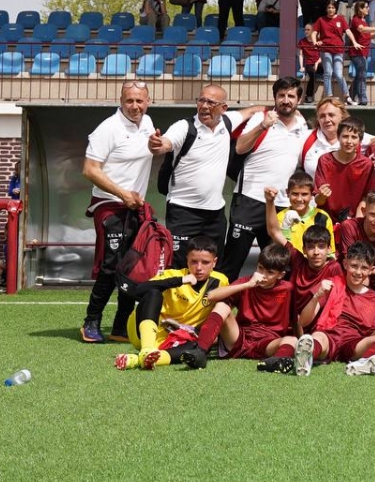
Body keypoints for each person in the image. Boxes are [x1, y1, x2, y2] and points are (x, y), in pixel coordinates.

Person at [79, 80, 156, 345]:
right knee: (112, 264)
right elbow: (90, 169)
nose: (135, 106)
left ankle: (121, 327)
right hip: (109, 205)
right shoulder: (107, 129)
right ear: (121, 101)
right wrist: (122, 193)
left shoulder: (146, 124)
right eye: (130, 101)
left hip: (135, 207)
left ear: (148, 101)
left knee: (132, 265)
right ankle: (91, 322)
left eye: (140, 101)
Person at [149, 84, 262, 263]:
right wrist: (157, 145)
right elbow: (166, 143)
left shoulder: (227, 121)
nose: (204, 106)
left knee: (213, 266)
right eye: (201, 100)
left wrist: (269, 110)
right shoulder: (184, 127)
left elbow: (250, 112)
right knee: (180, 265)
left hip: (215, 214)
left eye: (211, 102)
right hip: (182, 210)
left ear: (223, 108)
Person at [220, 76, 309, 281]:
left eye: (291, 96)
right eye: (281, 95)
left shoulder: (303, 125)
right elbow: (240, 147)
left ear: (299, 100)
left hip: (280, 206)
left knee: (278, 268)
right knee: (231, 265)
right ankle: (218, 311)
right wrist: (263, 126)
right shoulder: (262, 118)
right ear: (275, 98)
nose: (286, 100)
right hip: (249, 201)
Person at [113, 235, 228, 370]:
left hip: (178, 339)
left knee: (200, 347)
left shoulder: (221, 281)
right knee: (153, 293)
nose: (199, 267)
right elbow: (137, 290)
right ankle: (147, 349)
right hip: (142, 333)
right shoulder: (173, 275)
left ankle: (137, 359)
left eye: (205, 262)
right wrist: (180, 281)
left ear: (214, 262)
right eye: (194, 261)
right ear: (187, 260)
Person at [178, 243, 297, 372]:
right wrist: (247, 285)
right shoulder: (247, 282)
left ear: (280, 275)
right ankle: (200, 352)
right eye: (260, 268)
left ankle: (276, 362)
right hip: (239, 339)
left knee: (292, 340)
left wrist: (299, 340)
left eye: (270, 272)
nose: (262, 275)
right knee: (222, 306)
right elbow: (211, 296)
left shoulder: (288, 289)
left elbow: (295, 320)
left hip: (268, 343)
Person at [297, 241, 375, 375]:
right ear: (345, 264)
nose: (358, 272)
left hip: (353, 344)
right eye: (354, 266)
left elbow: (372, 337)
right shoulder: (332, 284)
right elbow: (303, 322)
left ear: (371, 270)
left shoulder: (374, 298)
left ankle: (362, 363)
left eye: (364, 268)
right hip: (329, 336)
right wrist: (317, 296)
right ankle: (305, 359)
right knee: (317, 337)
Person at [313, 117, 375, 222]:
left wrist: (356, 222)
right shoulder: (325, 161)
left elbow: (367, 197)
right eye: (345, 136)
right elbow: (318, 201)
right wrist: (322, 196)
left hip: (353, 221)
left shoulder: (366, 165)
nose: (349, 141)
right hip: (325, 219)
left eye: (354, 137)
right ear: (338, 137)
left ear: (360, 140)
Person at [266, 171, 335, 256]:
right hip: (290, 264)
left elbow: (330, 252)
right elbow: (279, 246)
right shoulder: (280, 217)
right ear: (287, 193)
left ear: (312, 195)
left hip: (316, 266)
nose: (299, 199)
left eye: (304, 194)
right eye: (295, 194)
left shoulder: (323, 217)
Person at [345, 0, 375, 107]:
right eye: (366, 7)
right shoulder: (356, 19)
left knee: (359, 76)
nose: (368, 9)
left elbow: (366, 36)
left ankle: (350, 96)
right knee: (362, 75)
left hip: (364, 52)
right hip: (356, 52)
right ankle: (363, 99)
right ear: (360, 9)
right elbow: (361, 30)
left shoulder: (364, 20)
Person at [311, 0, 349, 102]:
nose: (331, 10)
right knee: (328, 72)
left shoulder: (341, 19)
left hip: (338, 49)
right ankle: (329, 95)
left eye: (332, 8)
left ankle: (346, 95)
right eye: (329, 8)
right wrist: (315, 42)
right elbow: (314, 32)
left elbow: (348, 31)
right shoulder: (321, 20)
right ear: (326, 9)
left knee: (338, 74)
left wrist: (354, 42)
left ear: (335, 9)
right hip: (325, 49)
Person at [298, 23, 322, 101]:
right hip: (309, 63)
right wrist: (301, 67)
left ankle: (309, 95)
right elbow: (301, 55)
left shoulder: (318, 41)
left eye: (308, 30)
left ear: (313, 31)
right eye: (305, 29)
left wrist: (317, 63)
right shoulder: (302, 41)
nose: (306, 31)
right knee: (312, 75)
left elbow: (323, 55)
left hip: (319, 62)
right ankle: (309, 96)